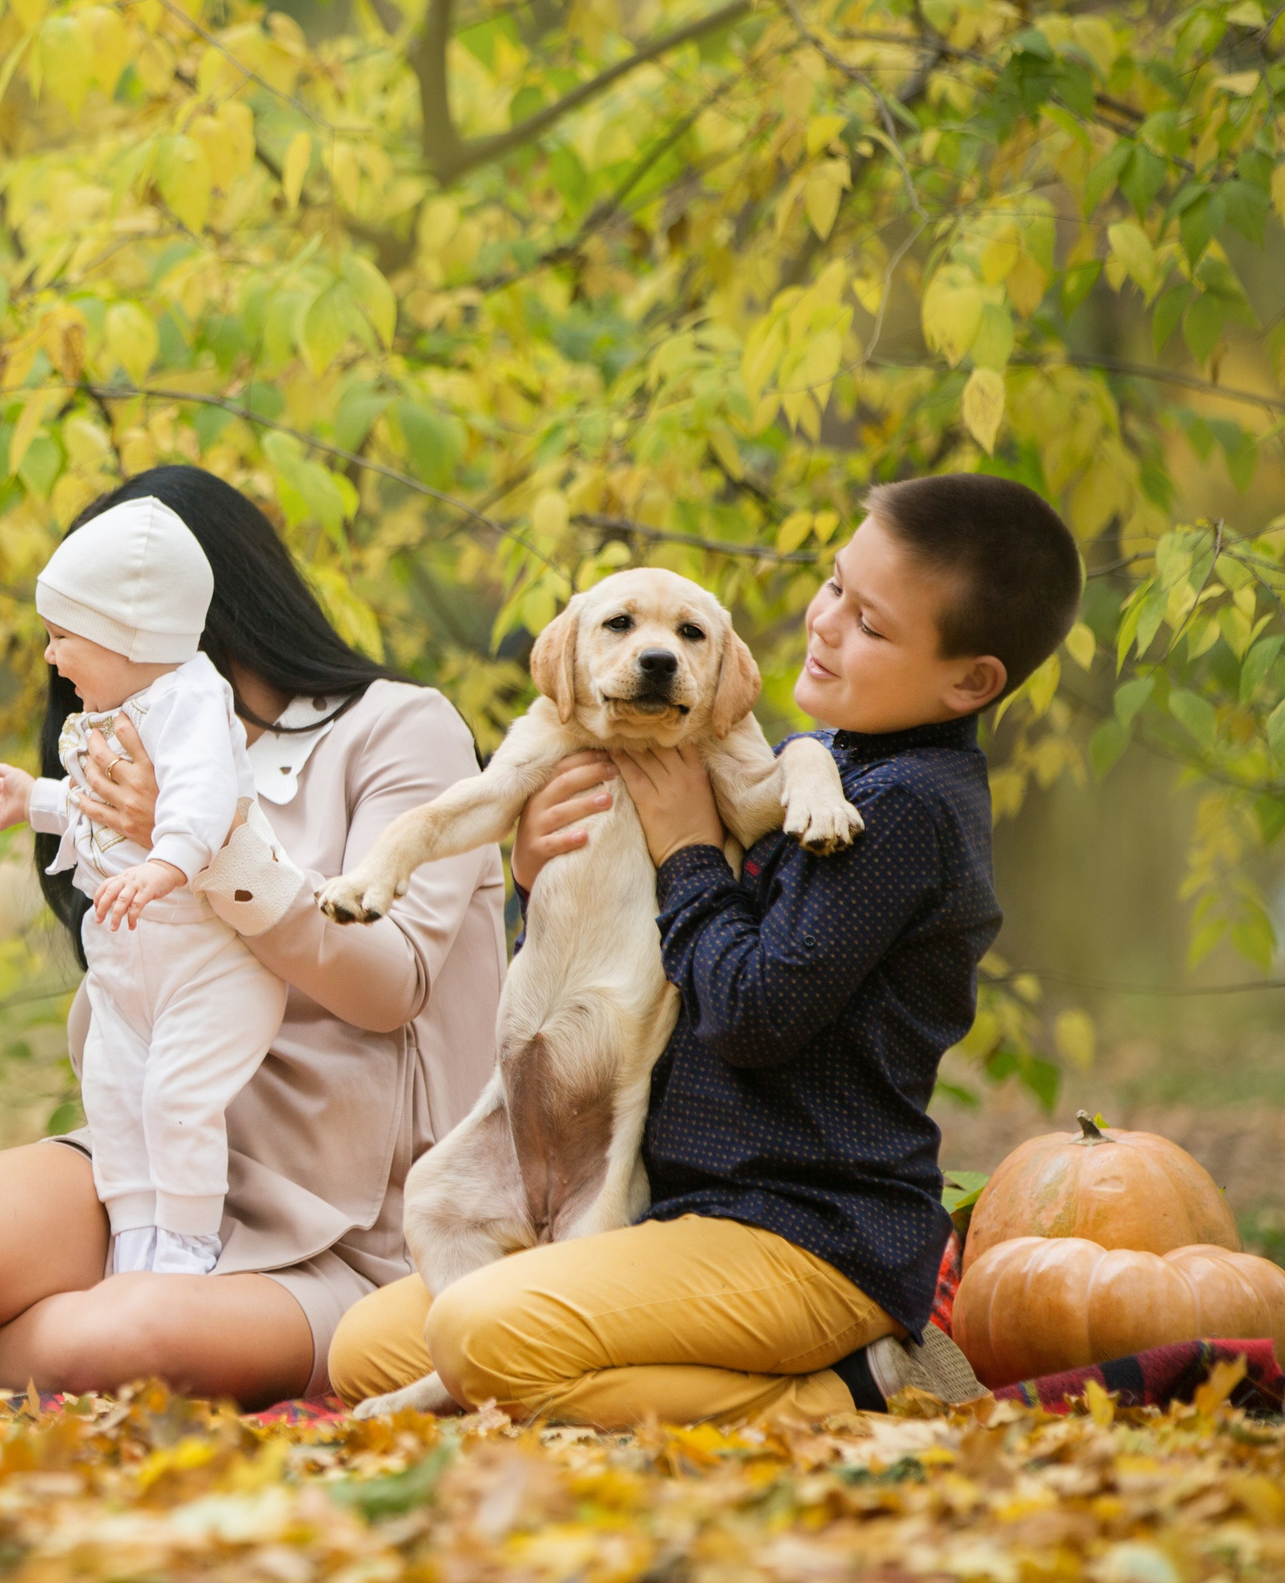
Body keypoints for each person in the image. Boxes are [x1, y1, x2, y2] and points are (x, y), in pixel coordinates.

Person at [0, 465, 511, 1405]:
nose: (58, 658)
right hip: (162, 1160)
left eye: (79, 626)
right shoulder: (114, 740)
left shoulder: (400, 729)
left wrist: (208, 845)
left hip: (365, 1233)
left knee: (113, 1339)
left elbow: (390, 981)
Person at [328, 473, 1085, 1425]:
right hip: (679, 1207)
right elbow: (637, 948)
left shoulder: (905, 811)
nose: (826, 624)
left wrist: (688, 844)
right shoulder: (833, 762)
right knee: (365, 1347)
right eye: (834, 586)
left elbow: (752, 1012)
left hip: (806, 1230)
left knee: (481, 1336)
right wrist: (538, 869)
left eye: (872, 624)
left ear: (969, 680)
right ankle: (542, 1367)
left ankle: (844, 1388)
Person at [0, 496, 287, 1278]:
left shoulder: (190, 702)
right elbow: (98, 811)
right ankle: (135, 1239)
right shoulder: (108, 711)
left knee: (177, 1099)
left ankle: (184, 1247)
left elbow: (204, 797)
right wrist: (32, 800)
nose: (50, 655)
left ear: (127, 636)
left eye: (63, 636)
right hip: (128, 970)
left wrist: (164, 864)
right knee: (115, 1097)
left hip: (207, 968)